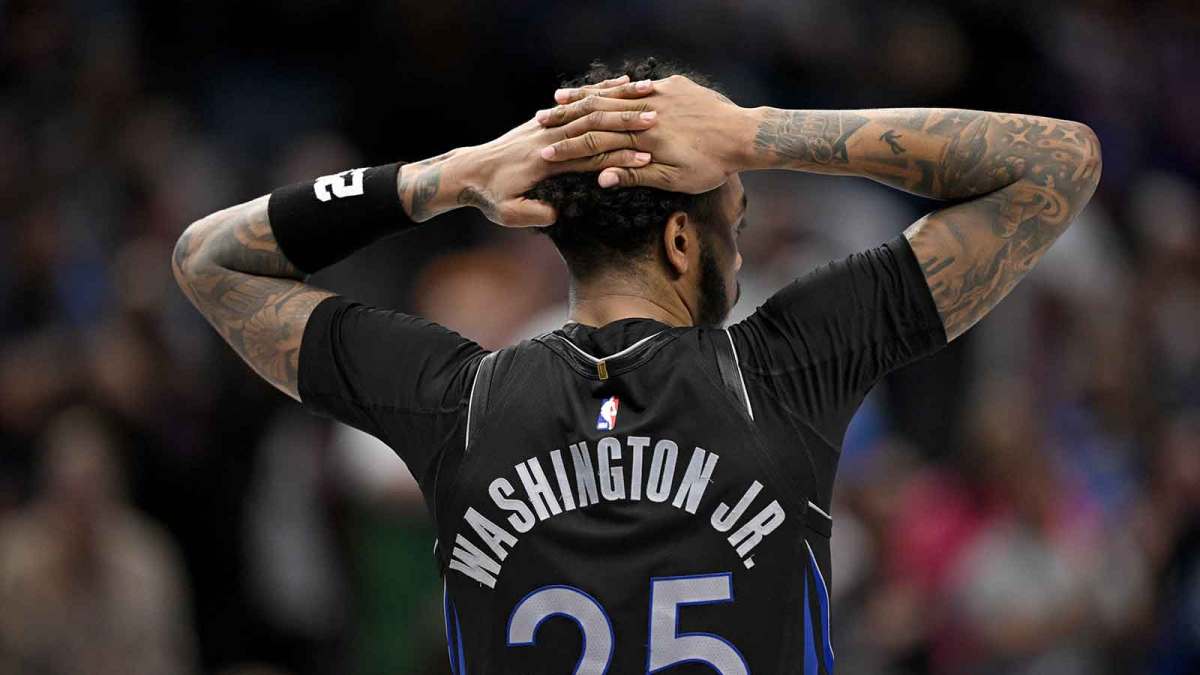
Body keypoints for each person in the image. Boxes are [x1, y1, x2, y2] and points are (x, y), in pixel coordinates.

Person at [172, 58, 1101, 673]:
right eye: (733, 216)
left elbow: (209, 259)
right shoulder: (785, 367)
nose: (739, 247)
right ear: (682, 239)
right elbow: (1057, 162)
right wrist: (754, 132)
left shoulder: (461, 399)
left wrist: (452, 175)